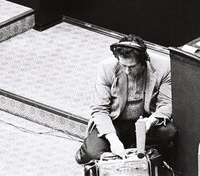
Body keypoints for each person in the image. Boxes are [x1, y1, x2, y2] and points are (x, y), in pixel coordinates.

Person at [75, 35, 176, 165]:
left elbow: (167, 104)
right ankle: (89, 151)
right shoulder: (106, 68)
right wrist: (113, 140)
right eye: (123, 65)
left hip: (144, 121)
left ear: (143, 60)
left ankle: (128, 151)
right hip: (115, 122)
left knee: (168, 132)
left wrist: (151, 121)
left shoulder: (164, 67)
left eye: (132, 66)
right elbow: (99, 109)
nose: (127, 71)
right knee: (93, 153)